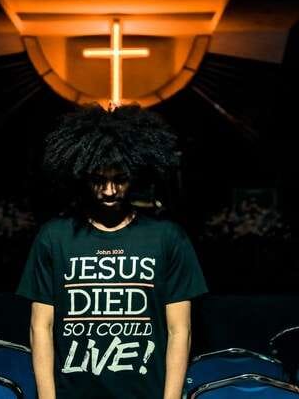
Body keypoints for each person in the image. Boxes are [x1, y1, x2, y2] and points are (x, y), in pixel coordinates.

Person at [16, 104, 208, 399]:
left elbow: (179, 330)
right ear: (82, 176)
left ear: (136, 176)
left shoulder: (167, 237)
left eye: (119, 179)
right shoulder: (54, 237)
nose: (109, 191)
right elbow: (40, 326)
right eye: (98, 180)